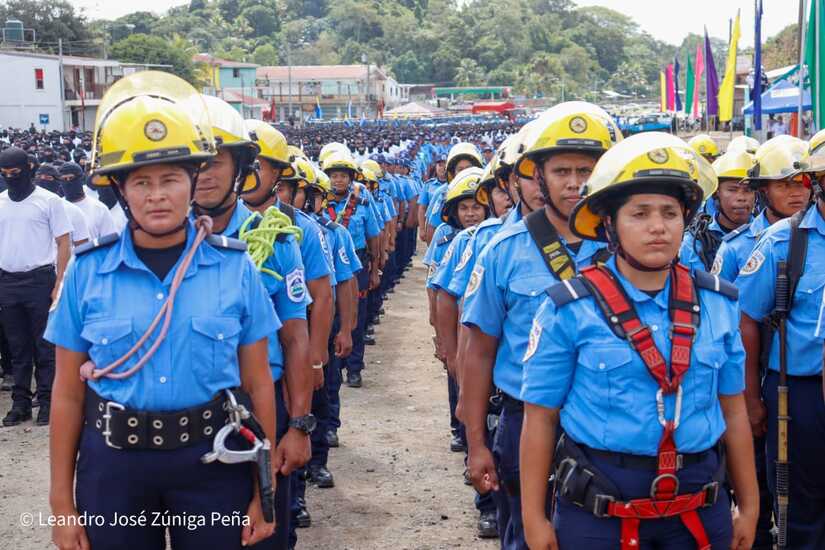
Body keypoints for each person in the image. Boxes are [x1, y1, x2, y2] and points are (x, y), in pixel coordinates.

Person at [45, 71, 279, 549]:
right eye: (141, 182)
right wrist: (61, 506)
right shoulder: (87, 273)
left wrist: (264, 492)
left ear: (192, 182)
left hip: (214, 464)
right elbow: (67, 393)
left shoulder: (235, 268)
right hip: (115, 470)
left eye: (171, 178)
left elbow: (258, 384)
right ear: (121, 191)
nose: (157, 195)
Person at [520, 132, 758, 550]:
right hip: (600, 514)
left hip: (701, 508)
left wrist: (751, 506)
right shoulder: (569, 308)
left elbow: (733, 410)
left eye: (670, 213)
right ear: (610, 224)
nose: (657, 227)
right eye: (640, 213)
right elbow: (539, 418)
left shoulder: (719, 303)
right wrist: (534, 519)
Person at [460, 103, 619, 550]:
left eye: (586, 170)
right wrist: (476, 441)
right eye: (562, 170)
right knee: (529, 536)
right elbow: (478, 351)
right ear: (538, 177)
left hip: (610, 422)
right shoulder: (504, 250)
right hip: (524, 419)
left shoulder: (634, 244)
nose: (574, 183)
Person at [191, 101, 315, 550]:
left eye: (216, 163)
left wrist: (298, 424)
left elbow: (296, 338)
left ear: (240, 170)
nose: (204, 174)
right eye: (196, 162)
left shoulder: (275, 239)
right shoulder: (165, 244)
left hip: (260, 408)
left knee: (263, 534)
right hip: (191, 413)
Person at [735, 130, 825, 550]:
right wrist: (751, 400)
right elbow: (746, 321)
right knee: (801, 509)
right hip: (799, 393)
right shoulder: (784, 242)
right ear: (819, 181)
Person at [0, 147, 72, 427]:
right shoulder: (1, 202)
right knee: (17, 349)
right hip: (7, 281)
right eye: (4, 175)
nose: (10, 179)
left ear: (28, 170)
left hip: (40, 280)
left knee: (44, 347)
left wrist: (59, 282)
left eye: (15, 174)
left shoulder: (50, 201)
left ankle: (47, 402)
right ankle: (20, 404)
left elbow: (63, 242)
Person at [321, 150, 382, 389]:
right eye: (334, 176)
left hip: (357, 263)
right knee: (331, 316)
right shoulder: (319, 203)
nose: (338, 180)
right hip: (328, 266)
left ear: (351, 179)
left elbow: (374, 235)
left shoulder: (363, 203)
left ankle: (354, 367)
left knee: (355, 316)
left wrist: (376, 267)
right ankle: (336, 364)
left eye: (343, 176)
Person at [713, 137, 813, 282]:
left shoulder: (818, 237)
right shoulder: (735, 249)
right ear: (763, 189)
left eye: (802, 183)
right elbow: (718, 303)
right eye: (783, 185)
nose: (796, 193)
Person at [680, 149, 756, 273]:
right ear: (716, 193)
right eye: (732, 189)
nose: (741, 197)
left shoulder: (767, 236)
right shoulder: (694, 243)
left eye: (748, 190)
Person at [58, 161, 118, 240]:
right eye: (64, 179)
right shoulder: (56, 207)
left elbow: (110, 240)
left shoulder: (99, 209)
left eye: (71, 178)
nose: (68, 182)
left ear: (80, 179)